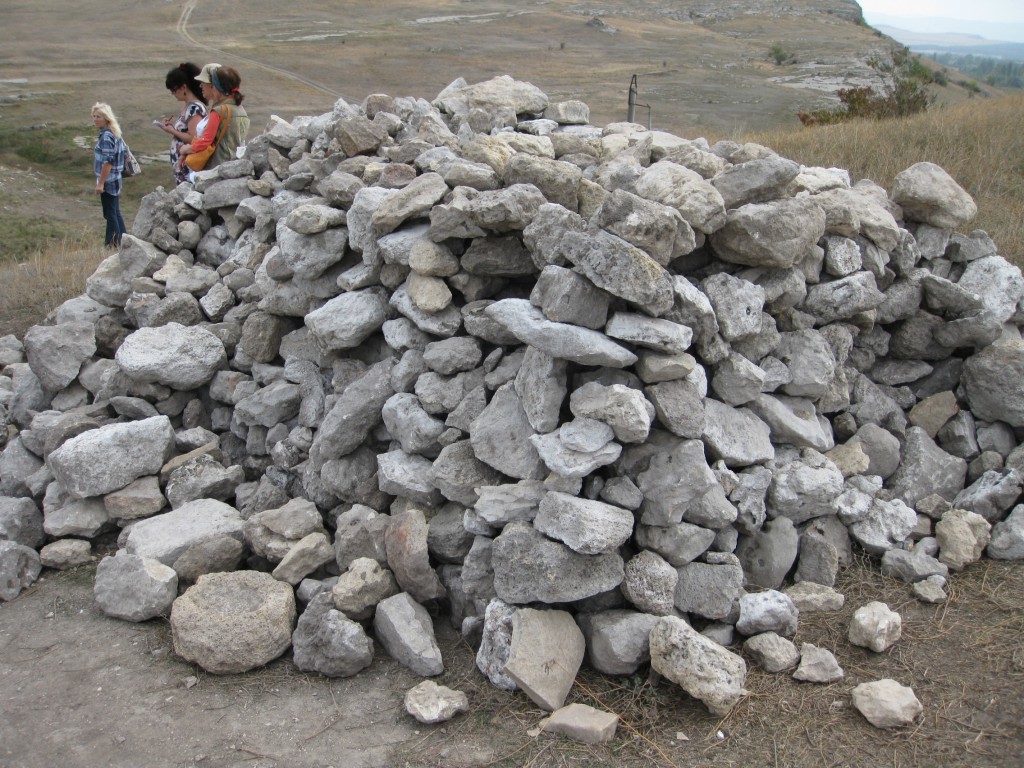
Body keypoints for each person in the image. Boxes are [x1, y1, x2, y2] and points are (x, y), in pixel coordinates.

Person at [179, 64, 250, 173]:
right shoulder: (241, 111)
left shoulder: (219, 111)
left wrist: (185, 149)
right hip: (236, 165)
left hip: (218, 168)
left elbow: (205, 141)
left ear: (217, 87)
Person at [157, 62, 208, 184]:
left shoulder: (194, 109)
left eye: (174, 90)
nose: (173, 94)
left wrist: (172, 131)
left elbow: (194, 139)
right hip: (181, 164)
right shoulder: (188, 107)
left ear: (183, 88)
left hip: (187, 165)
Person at [91, 102, 127, 247]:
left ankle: (113, 243)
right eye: (93, 116)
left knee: (110, 214)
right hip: (116, 178)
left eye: (98, 116)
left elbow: (108, 162)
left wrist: (100, 183)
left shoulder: (106, 136)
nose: (95, 119)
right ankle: (124, 240)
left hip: (109, 179)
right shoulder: (114, 132)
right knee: (115, 211)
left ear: (106, 118)